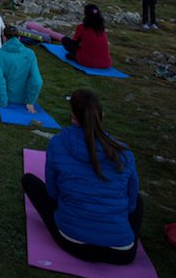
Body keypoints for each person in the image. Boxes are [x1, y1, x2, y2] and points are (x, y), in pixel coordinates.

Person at [21, 89, 143, 265]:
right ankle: (113, 230)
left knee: (29, 181)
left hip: (73, 241)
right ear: (102, 116)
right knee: (138, 200)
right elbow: (131, 204)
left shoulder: (58, 143)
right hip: (122, 252)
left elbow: (53, 194)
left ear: (73, 117)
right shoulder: (124, 152)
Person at [0, 25, 43, 113]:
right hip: (25, 99)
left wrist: (2, 102)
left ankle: (3, 97)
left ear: (4, 37)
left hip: (7, 97)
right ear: (18, 38)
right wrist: (30, 101)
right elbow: (37, 81)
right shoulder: (30, 53)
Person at [60, 4, 112, 70]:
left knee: (65, 40)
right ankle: (76, 57)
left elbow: (75, 42)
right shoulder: (101, 29)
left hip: (87, 62)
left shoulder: (82, 27)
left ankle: (76, 57)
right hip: (106, 63)